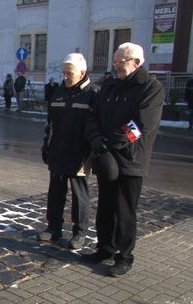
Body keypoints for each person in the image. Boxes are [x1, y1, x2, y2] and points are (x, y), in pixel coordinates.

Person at [83, 42, 164, 277]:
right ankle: (104, 248)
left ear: (136, 63)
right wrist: (95, 138)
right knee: (106, 207)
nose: (116, 66)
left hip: (131, 160)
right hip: (106, 158)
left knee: (125, 210)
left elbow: (140, 126)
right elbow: (92, 116)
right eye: (115, 61)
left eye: (121, 62)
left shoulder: (151, 88)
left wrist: (109, 141)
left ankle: (124, 255)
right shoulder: (109, 86)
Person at [38, 53, 95, 249]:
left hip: (80, 155)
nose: (65, 77)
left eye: (69, 73)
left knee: (79, 195)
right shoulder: (59, 92)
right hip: (58, 151)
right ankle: (54, 228)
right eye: (63, 73)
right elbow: (50, 124)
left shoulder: (92, 94)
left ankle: (80, 233)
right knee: (55, 192)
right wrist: (46, 145)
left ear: (81, 73)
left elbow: (95, 127)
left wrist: (90, 154)